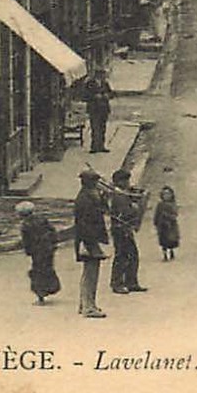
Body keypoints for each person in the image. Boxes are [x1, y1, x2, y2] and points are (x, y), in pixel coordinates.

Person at [73, 168, 110, 318]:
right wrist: (89, 245)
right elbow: (84, 224)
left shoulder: (89, 196)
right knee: (91, 274)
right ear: (90, 183)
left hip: (89, 240)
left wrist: (104, 197)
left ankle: (85, 305)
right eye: (95, 182)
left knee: (89, 273)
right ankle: (89, 307)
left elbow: (103, 209)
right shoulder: (85, 200)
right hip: (88, 241)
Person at [108, 168, 148, 294]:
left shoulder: (121, 193)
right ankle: (117, 283)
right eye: (125, 180)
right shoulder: (119, 196)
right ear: (119, 181)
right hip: (121, 228)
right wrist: (136, 207)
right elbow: (126, 212)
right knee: (123, 255)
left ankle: (130, 282)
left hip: (123, 228)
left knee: (131, 255)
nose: (128, 183)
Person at [18, 202, 61, 305]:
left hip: (37, 251)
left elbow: (26, 241)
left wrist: (28, 251)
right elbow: (52, 231)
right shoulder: (42, 219)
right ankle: (51, 287)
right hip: (48, 249)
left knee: (37, 271)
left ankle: (41, 295)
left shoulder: (25, 225)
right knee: (48, 268)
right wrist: (54, 243)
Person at [77, 68, 115, 154]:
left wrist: (107, 95)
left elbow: (111, 94)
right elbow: (84, 96)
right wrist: (94, 96)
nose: (103, 77)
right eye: (102, 75)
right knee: (95, 127)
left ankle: (101, 146)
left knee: (102, 128)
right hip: (94, 109)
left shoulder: (105, 83)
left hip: (104, 109)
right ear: (97, 75)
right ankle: (94, 146)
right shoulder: (90, 84)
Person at [154, 186, 180, 260]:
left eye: (168, 194)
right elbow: (157, 213)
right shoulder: (160, 204)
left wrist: (170, 216)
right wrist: (156, 222)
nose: (166, 196)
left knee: (171, 239)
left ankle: (171, 252)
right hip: (162, 225)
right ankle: (165, 254)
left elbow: (175, 214)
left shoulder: (173, 204)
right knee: (163, 240)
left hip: (171, 225)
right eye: (164, 194)